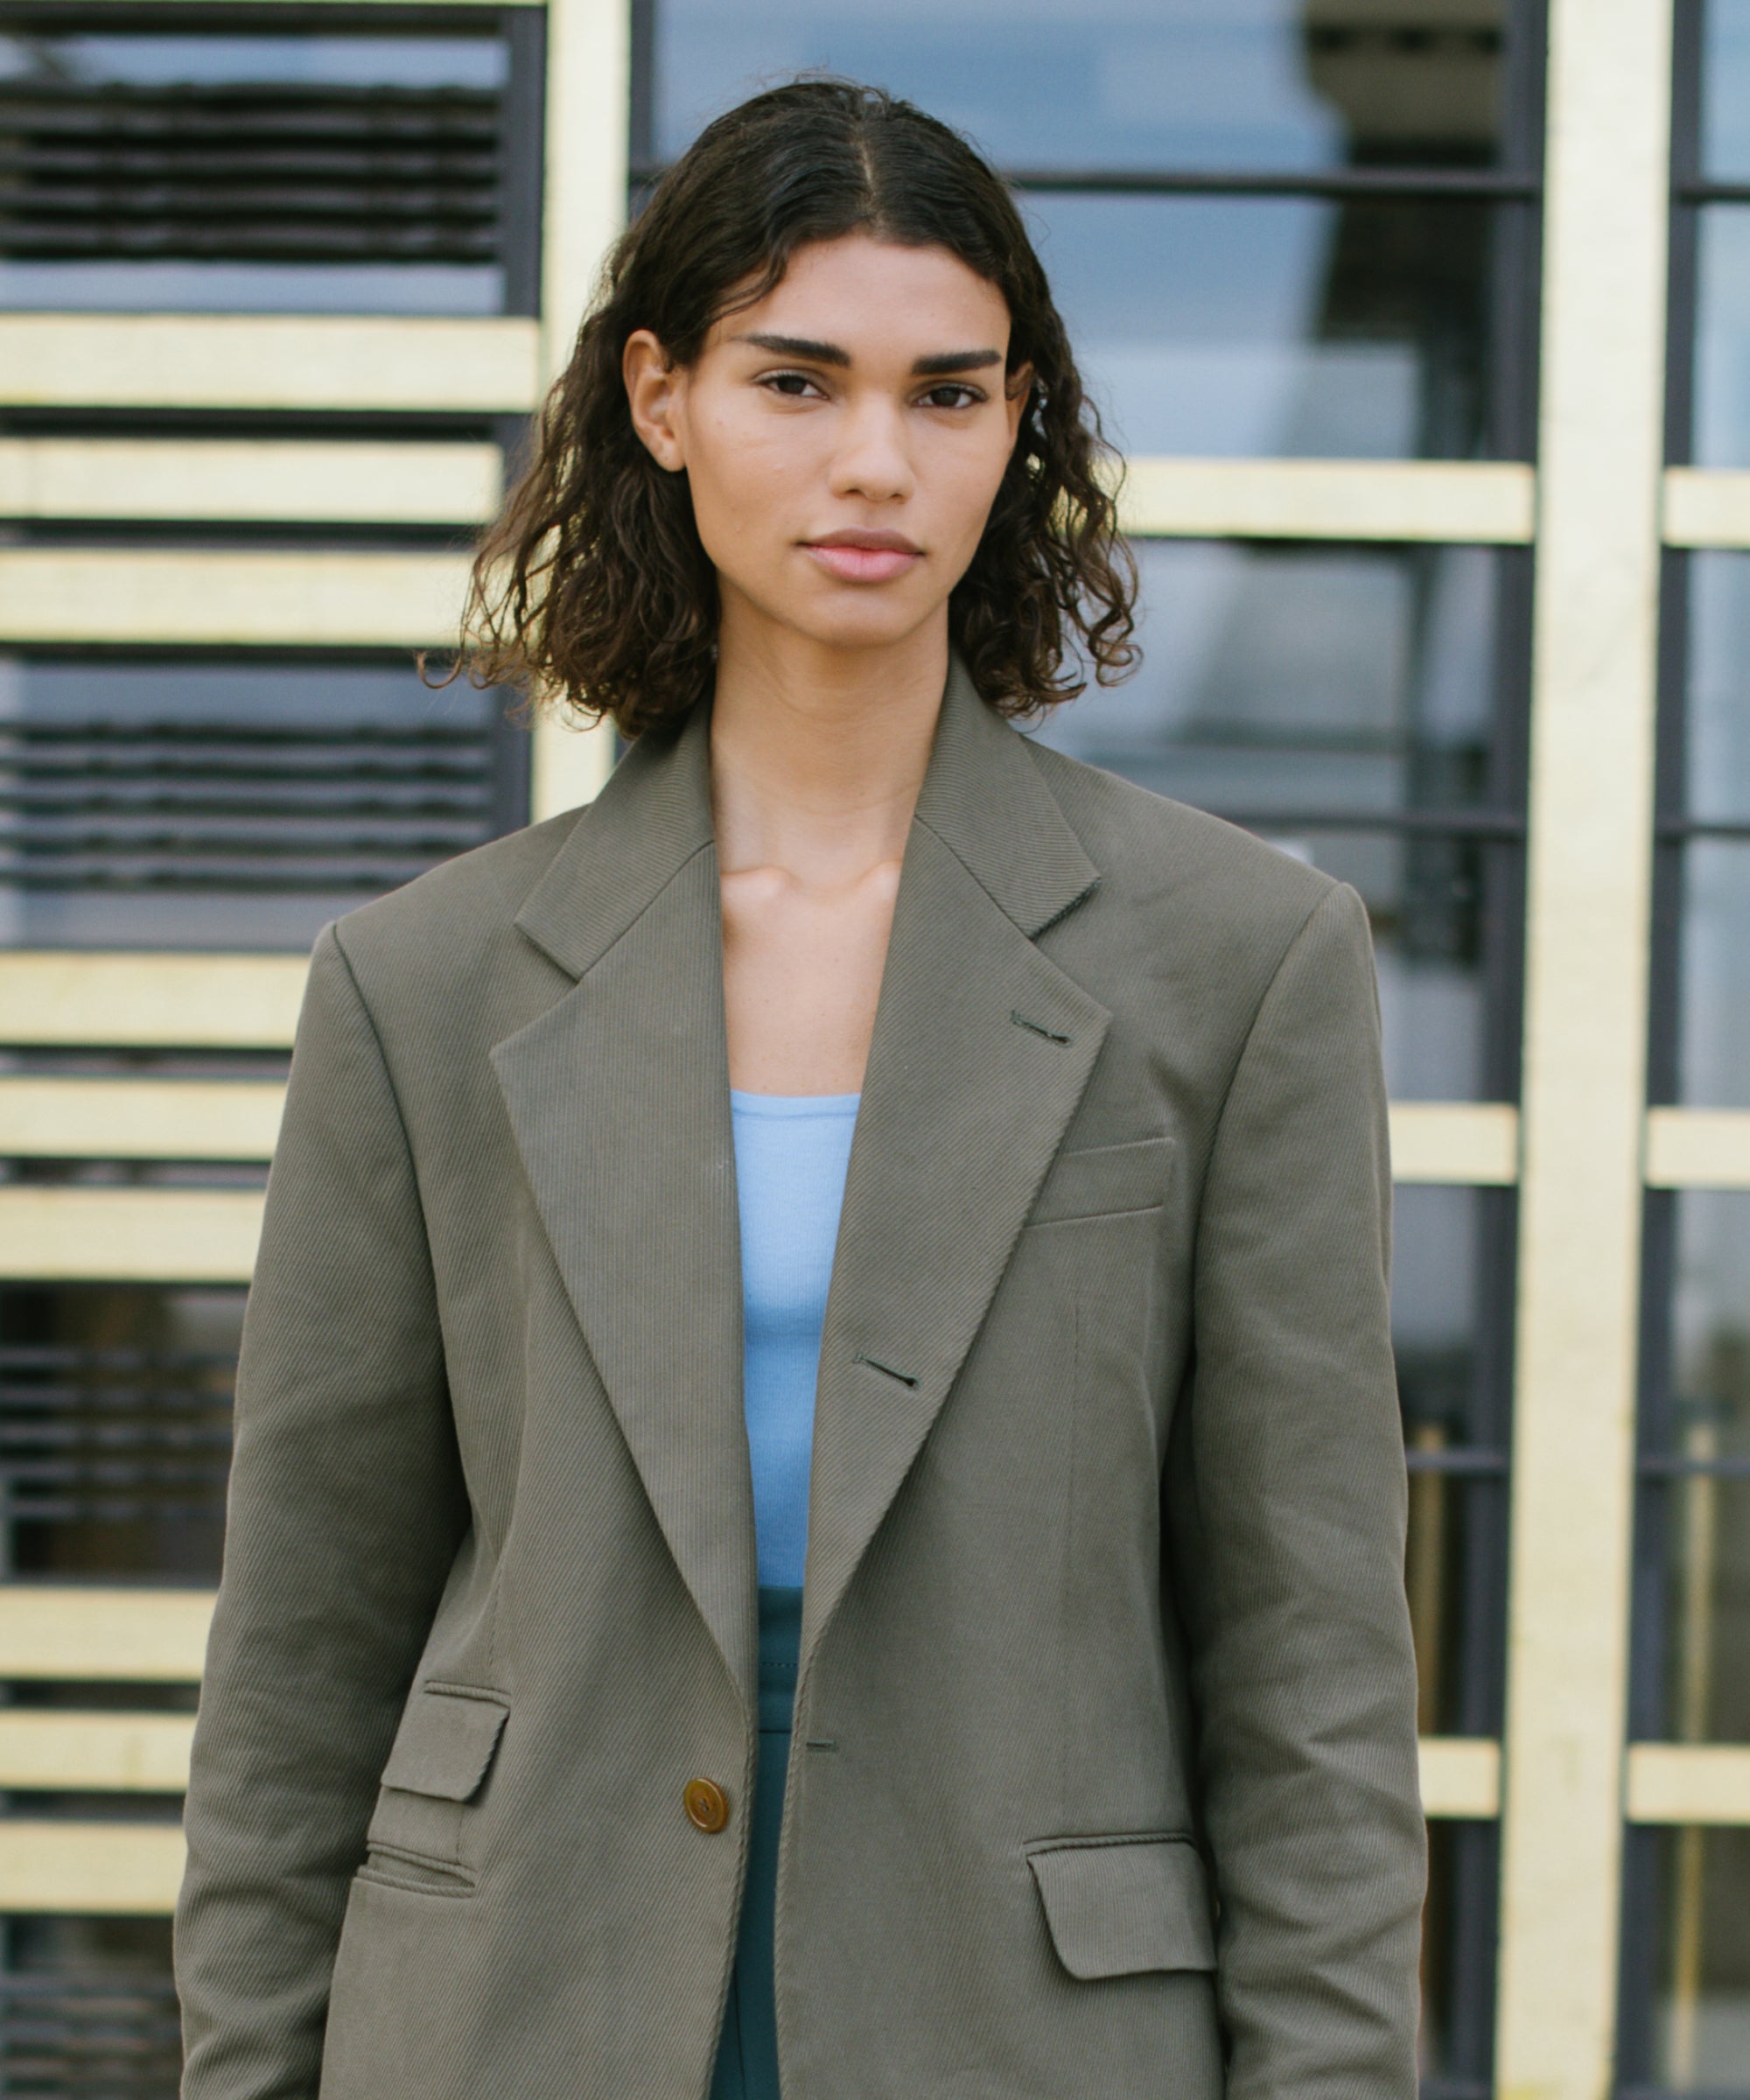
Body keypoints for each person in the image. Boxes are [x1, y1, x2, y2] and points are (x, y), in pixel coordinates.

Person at [175, 78, 1425, 2100]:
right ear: (660, 400)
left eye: (947, 394)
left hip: (1024, 2024)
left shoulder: (1240, 958)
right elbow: (300, 1659)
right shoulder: (418, 987)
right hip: (513, 2009)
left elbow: (1310, 1674)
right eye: (798, 381)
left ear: (1017, 425)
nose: (876, 462)